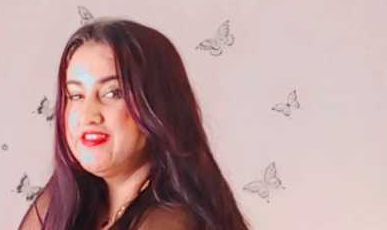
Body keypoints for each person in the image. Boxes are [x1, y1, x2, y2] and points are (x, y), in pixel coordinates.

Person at [18, 18, 251, 230]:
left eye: (113, 93)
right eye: (76, 95)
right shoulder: (66, 200)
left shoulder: (170, 222)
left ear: (157, 105)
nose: (88, 115)